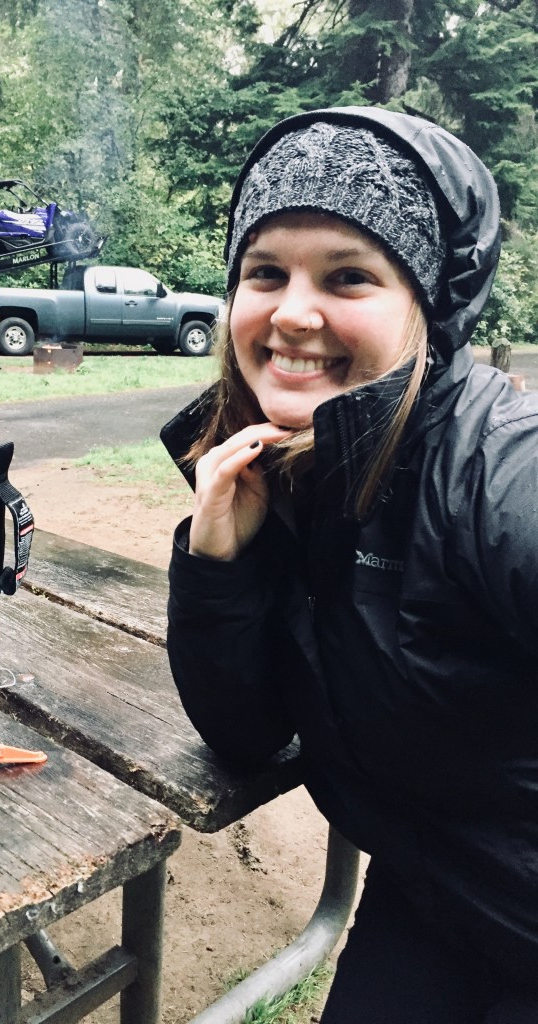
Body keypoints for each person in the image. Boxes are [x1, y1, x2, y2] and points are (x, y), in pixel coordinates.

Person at [162, 106, 538, 1022]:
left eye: (349, 276)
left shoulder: (499, 469)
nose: (293, 312)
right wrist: (219, 562)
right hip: (427, 894)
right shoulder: (288, 468)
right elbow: (245, 733)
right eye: (265, 272)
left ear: (426, 306)